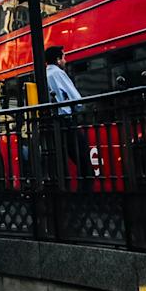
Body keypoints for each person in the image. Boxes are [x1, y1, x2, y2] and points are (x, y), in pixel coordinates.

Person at [45, 46, 92, 187]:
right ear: (58, 60)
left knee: (60, 161)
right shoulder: (58, 73)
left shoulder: (44, 75)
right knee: (83, 158)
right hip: (66, 122)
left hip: (52, 124)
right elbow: (76, 99)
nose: (65, 60)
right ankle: (86, 195)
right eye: (64, 57)